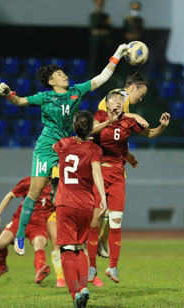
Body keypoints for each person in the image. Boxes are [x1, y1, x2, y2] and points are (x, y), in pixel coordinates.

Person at [0, 43, 129, 256]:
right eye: (59, 74)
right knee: (35, 191)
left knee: (81, 189)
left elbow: (102, 77)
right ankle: (20, 234)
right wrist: (7, 93)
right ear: (51, 81)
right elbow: (18, 101)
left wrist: (117, 55)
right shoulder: (44, 97)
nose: (64, 75)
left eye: (63, 72)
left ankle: (91, 236)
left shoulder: (76, 91)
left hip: (69, 148)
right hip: (47, 148)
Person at [87, 90, 171, 284]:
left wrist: (162, 127)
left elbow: (150, 134)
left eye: (120, 99)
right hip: (98, 173)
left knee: (116, 221)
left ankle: (113, 267)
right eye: (113, 99)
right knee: (95, 219)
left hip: (117, 175)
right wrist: (109, 121)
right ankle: (92, 266)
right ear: (106, 105)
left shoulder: (128, 121)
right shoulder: (98, 117)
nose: (117, 101)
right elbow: (90, 131)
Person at [53, 110, 108, 308]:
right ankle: (84, 287)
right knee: (80, 248)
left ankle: (75, 293)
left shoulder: (63, 144)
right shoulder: (94, 149)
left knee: (66, 249)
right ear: (91, 128)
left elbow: (53, 145)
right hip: (86, 204)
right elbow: (96, 172)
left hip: (65, 203)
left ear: (75, 126)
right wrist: (101, 197)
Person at [95, 71, 149, 258]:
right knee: (102, 209)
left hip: (112, 157)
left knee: (110, 210)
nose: (140, 99)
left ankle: (100, 241)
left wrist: (129, 157)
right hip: (102, 161)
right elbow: (112, 119)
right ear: (132, 88)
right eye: (140, 95)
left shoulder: (121, 100)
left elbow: (118, 135)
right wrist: (135, 116)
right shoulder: (120, 96)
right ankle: (96, 241)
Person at [0, 175, 55, 285]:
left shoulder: (57, 186)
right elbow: (10, 195)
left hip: (39, 224)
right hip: (20, 220)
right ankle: (2, 267)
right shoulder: (30, 181)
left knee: (39, 244)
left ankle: (39, 272)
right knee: (1, 243)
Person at [89, 0, 112, 76]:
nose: (99, 5)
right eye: (98, 4)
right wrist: (102, 31)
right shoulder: (93, 15)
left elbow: (108, 27)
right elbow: (94, 27)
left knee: (104, 59)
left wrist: (102, 32)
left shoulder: (105, 16)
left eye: (101, 4)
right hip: (95, 41)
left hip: (104, 41)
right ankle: (92, 75)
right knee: (95, 58)